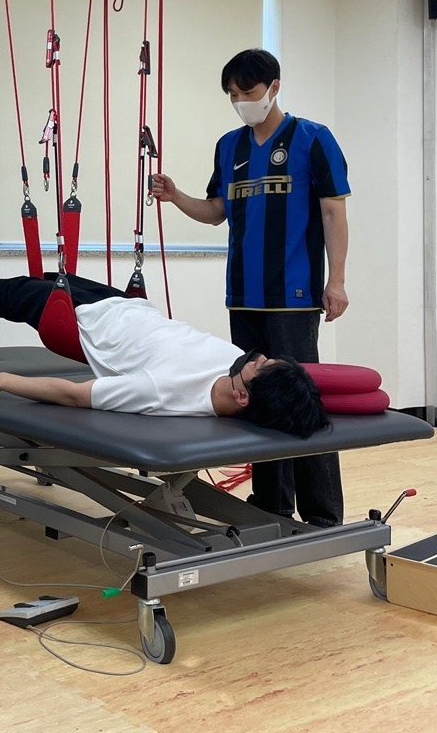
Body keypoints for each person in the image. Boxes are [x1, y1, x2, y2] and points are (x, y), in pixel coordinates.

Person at [151, 47, 350, 527]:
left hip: (294, 297)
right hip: (243, 296)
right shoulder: (229, 147)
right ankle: (271, 504)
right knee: (257, 399)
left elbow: (333, 212)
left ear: (274, 88)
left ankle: (323, 514)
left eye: (248, 92)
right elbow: (216, 211)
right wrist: (176, 197)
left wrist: (337, 280)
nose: (241, 101)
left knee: (300, 400)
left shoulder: (313, 138)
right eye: (233, 95)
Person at [0, 242, 327, 437]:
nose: (256, 358)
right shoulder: (238, 369)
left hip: (84, 325)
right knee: (34, 282)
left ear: (242, 397)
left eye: (259, 366)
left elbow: (75, 394)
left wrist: (3, 379)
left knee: (20, 295)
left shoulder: (162, 392)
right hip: (126, 305)